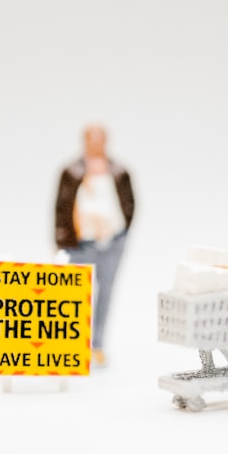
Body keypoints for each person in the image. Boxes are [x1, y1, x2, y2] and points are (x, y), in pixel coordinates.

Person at [54, 125, 135, 366]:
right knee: (75, 295)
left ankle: (97, 345)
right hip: (80, 244)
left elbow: (130, 203)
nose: (96, 143)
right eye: (92, 139)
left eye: (100, 139)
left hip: (111, 242)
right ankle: (74, 346)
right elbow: (61, 207)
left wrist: (121, 233)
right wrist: (62, 240)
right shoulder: (72, 171)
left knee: (105, 294)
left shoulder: (119, 171)